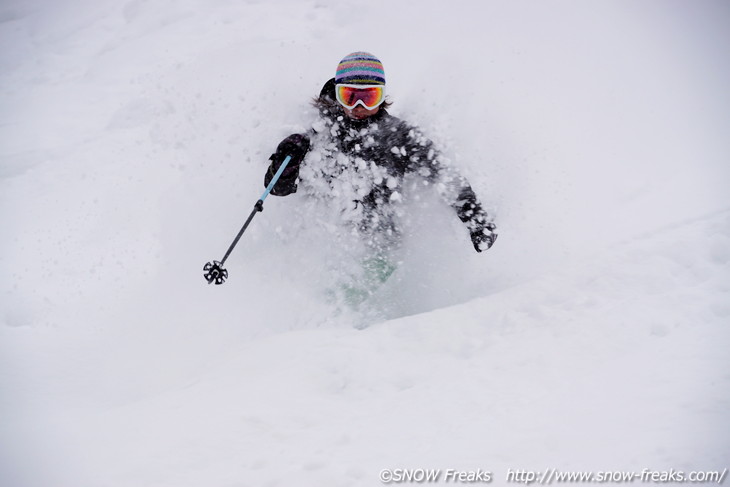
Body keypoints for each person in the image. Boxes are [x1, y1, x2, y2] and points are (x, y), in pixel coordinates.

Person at [264, 52, 497, 306]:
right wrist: (287, 159)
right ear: (337, 94)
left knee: (349, 309)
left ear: (382, 97)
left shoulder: (400, 137)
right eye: (350, 97)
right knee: (315, 302)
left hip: (380, 245)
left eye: (369, 97)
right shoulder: (318, 134)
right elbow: (278, 189)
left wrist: (475, 219)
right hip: (319, 245)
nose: (359, 107)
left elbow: (442, 174)